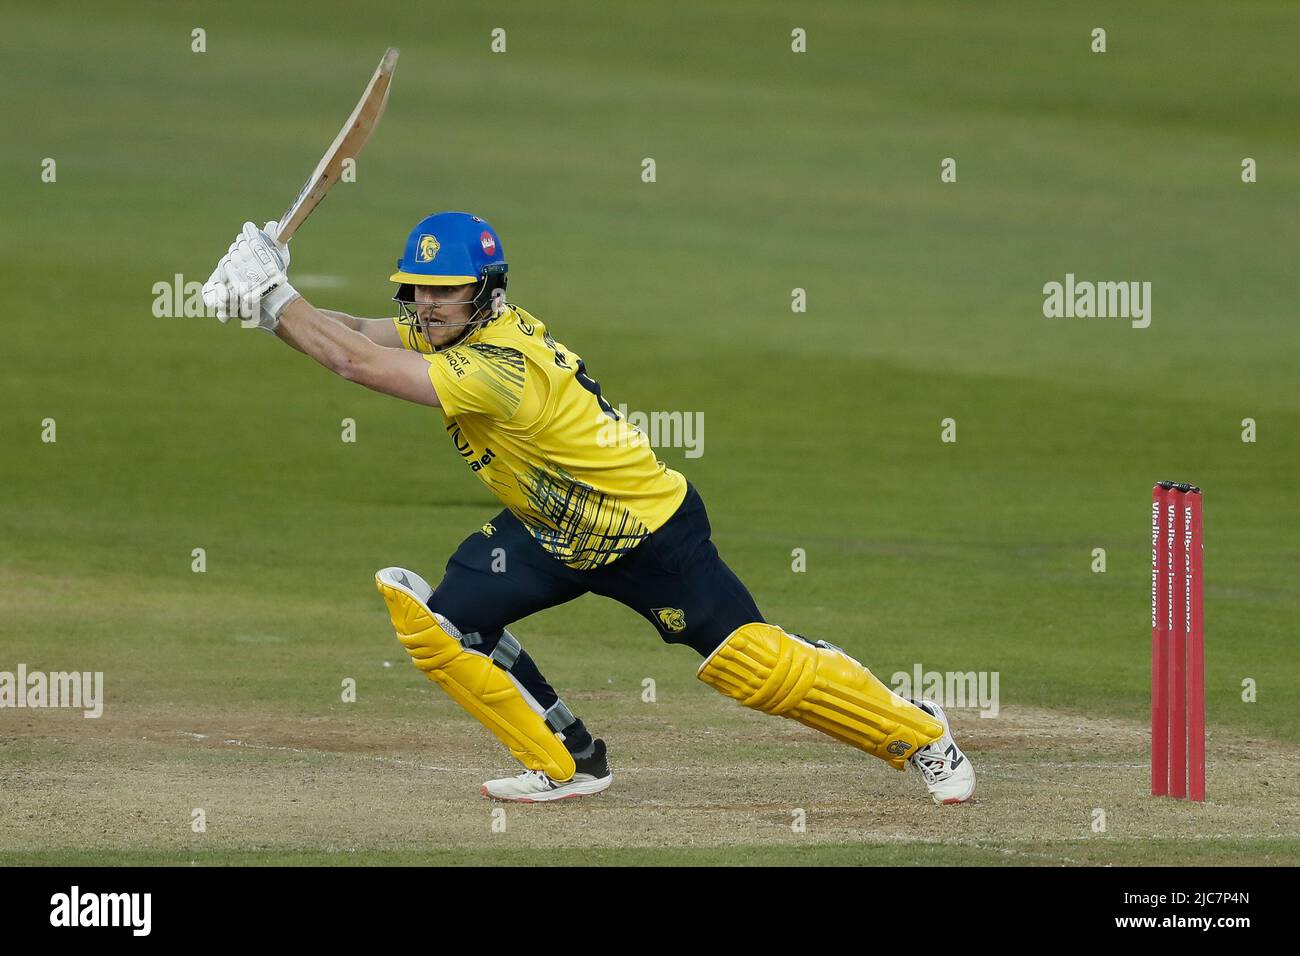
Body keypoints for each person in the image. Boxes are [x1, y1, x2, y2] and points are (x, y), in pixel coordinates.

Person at [203, 213, 976, 805]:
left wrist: (274, 295)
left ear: (486, 293)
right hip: (547, 530)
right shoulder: (455, 331)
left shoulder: (497, 367)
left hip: (645, 531)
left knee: (748, 668)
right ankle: (565, 761)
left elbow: (353, 362)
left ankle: (919, 734)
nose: (427, 306)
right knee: (444, 625)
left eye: (446, 291)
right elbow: (361, 333)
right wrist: (265, 305)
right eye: (418, 290)